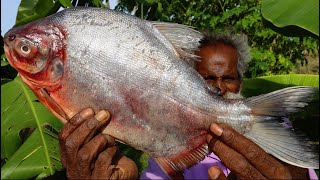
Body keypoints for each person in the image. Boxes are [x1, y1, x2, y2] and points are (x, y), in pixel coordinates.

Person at [58, 31, 315, 179]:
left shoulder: (272, 125)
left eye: (228, 78)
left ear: (241, 81)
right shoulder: (173, 138)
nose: (218, 87)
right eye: (207, 79)